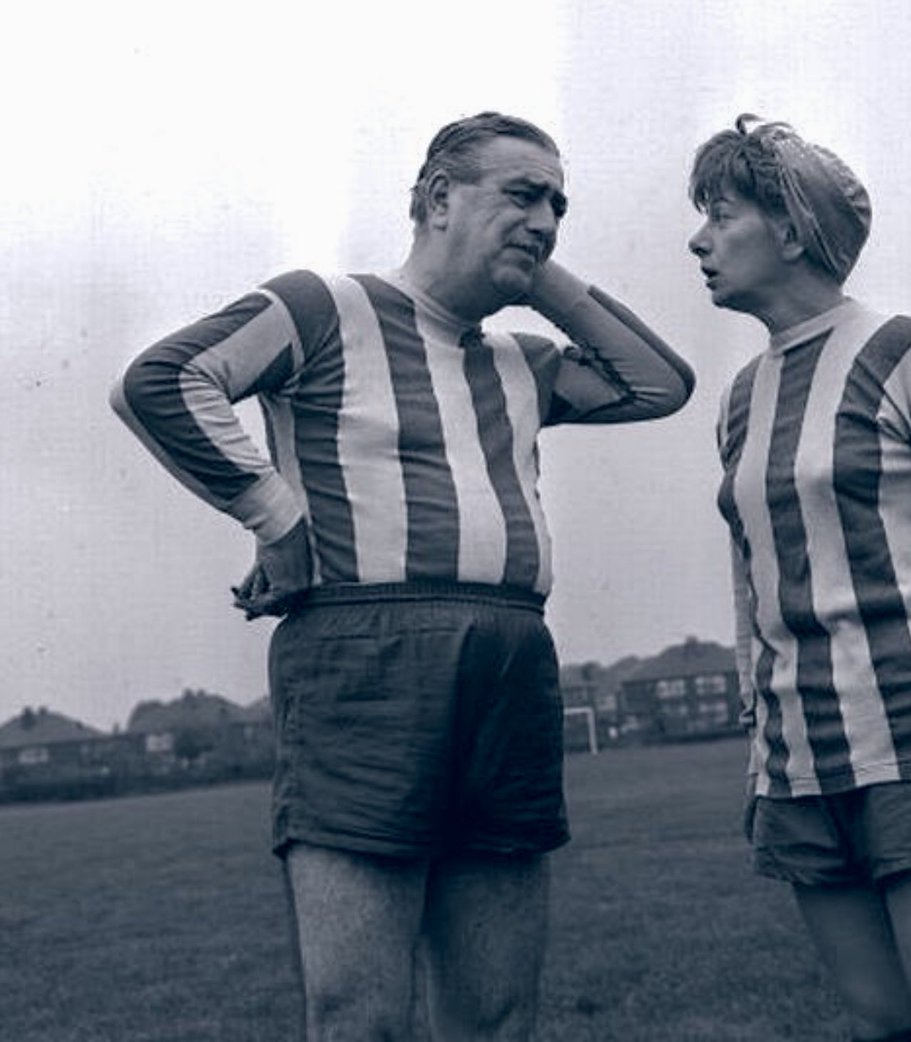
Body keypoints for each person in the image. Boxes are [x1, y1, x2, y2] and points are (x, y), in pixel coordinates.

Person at [111, 111, 694, 1041]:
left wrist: (534, 270)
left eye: (559, 205)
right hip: (366, 661)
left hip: (509, 666)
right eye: (521, 193)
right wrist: (275, 517)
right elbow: (162, 380)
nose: (546, 217)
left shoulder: (523, 363)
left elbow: (659, 381)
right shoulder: (321, 306)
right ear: (435, 199)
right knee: (359, 1017)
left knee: (499, 1016)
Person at [686, 115, 911, 1042]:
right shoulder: (740, 398)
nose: (699, 240)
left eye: (721, 216)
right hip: (799, 758)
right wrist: (753, 712)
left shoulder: (906, 351)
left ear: (794, 231)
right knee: (881, 1023)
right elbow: (751, 563)